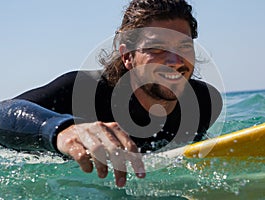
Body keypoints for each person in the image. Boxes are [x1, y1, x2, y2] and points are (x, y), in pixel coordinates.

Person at [0, 0, 222, 187]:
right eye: (157, 48)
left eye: (184, 47)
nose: (174, 62)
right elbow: (3, 111)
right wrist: (61, 130)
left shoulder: (205, 103)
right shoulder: (82, 90)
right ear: (127, 56)